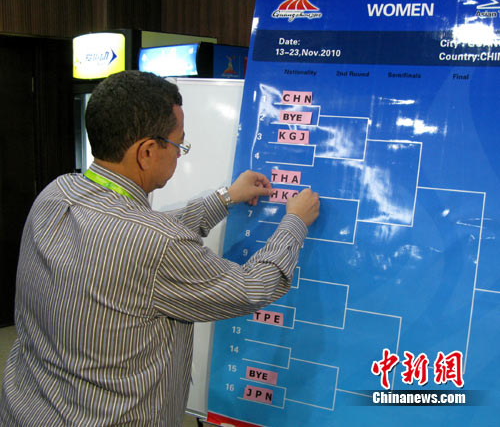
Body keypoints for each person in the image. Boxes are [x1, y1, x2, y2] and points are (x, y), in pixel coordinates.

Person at [0, 70, 319, 426]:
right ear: (147, 152)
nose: (180, 155)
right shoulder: (156, 243)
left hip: (26, 410)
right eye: (179, 145)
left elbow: (133, 231)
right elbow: (252, 287)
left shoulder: (55, 193)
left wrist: (226, 197)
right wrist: (295, 221)